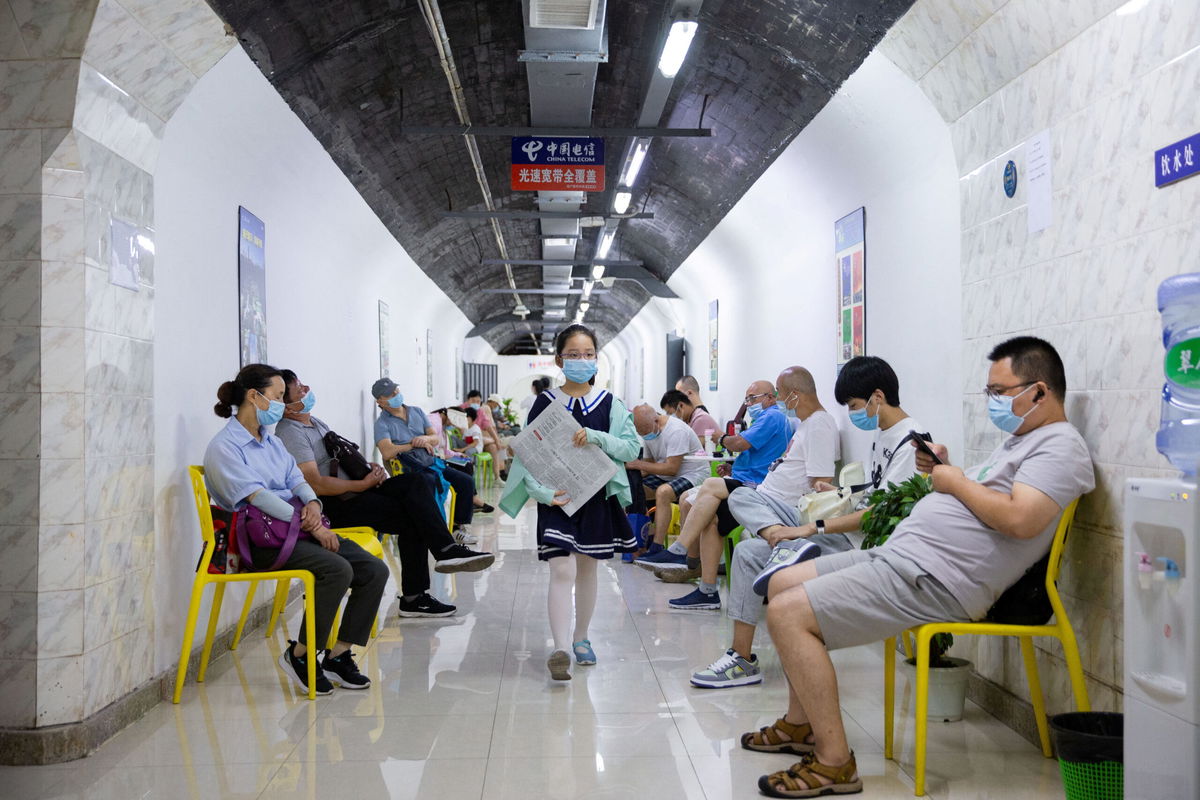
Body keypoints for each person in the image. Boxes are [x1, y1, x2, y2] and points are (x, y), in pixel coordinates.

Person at [745, 337, 1094, 796]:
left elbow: (1020, 519)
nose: (992, 401)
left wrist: (951, 481)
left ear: (1041, 392)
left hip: (935, 577)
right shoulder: (1022, 441)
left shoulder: (1060, 447)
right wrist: (950, 474)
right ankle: (799, 724)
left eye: (1000, 391)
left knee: (787, 614)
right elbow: (991, 502)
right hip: (903, 558)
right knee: (781, 582)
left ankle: (835, 764)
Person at [691, 356, 925, 688]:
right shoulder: (884, 433)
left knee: (746, 535)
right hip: (829, 523)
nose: (853, 414)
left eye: (855, 405)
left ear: (878, 396)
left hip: (859, 544)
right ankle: (741, 658)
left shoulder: (910, 440)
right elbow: (875, 494)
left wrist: (809, 529)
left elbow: (880, 513)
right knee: (741, 513)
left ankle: (786, 542)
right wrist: (843, 492)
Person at [203, 363, 388, 695]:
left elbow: (298, 481)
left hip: (297, 528)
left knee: (373, 569)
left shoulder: (271, 443)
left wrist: (314, 505)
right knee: (336, 569)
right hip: (258, 540)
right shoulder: (224, 448)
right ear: (253, 396)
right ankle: (301, 655)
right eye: (276, 397)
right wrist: (314, 527)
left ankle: (339, 655)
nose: (279, 405)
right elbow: (257, 498)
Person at [274, 371, 495, 618]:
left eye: (304, 385)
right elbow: (316, 484)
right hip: (338, 503)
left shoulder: (314, 423)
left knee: (419, 482)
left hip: (360, 487)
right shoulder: (290, 432)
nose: (307, 389)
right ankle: (417, 593)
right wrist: (361, 485)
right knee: (415, 515)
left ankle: (444, 552)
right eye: (299, 390)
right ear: (286, 406)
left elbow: (338, 459)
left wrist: (370, 467)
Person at [499, 324, 641, 681]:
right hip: (556, 498)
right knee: (561, 568)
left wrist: (596, 437)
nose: (582, 360)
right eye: (574, 355)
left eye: (588, 354)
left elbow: (630, 447)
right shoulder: (545, 403)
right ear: (560, 359)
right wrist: (541, 493)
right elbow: (529, 453)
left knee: (589, 568)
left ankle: (582, 638)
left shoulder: (611, 403)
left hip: (596, 497)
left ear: (597, 359)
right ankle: (560, 647)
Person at [663, 368, 838, 612]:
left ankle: (681, 552)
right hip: (764, 493)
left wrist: (802, 524)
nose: (778, 400)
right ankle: (707, 590)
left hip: (776, 501)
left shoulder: (818, 424)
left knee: (713, 488)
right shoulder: (805, 424)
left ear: (795, 394)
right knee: (711, 518)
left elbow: (820, 481)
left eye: (781, 394)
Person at [635, 378, 791, 575]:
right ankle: (688, 561)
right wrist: (730, 468)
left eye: (752, 399)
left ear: (770, 397)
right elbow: (754, 453)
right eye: (746, 400)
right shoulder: (762, 419)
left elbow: (739, 444)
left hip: (751, 484)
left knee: (693, 496)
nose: (748, 404)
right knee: (685, 499)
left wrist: (721, 437)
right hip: (740, 477)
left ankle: (683, 556)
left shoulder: (773, 417)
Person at [372, 378, 490, 545]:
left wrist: (425, 438)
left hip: (430, 461)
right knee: (431, 483)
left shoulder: (416, 412)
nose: (396, 395)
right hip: (409, 469)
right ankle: (436, 534)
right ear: (380, 401)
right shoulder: (382, 424)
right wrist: (412, 443)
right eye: (390, 394)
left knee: (466, 482)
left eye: (396, 390)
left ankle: (457, 528)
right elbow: (387, 452)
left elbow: (434, 437)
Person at [626, 404, 709, 556]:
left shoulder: (676, 430)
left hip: (692, 474)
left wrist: (637, 464)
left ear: (656, 420)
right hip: (666, 474)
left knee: (663, 492)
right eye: (641, 433)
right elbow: (650, 464)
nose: (644, 435)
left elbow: (672, 468)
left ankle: (657, 547)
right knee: (634, 490)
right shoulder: (648, 431)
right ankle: (642, 540)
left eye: (645, 431)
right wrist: (628, 474)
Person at [464, 389, 506, 481]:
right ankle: (502, 472)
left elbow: (489, 427)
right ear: (468, 400)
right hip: (467, 440)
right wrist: (496, 440)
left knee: (493, 447)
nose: (476, 403)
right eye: (473, 401)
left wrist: (496, 441)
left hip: (479, 440)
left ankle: (497, 478)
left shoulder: (480, 412)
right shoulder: (462, 410)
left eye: (478, 401)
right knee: (493, 442)